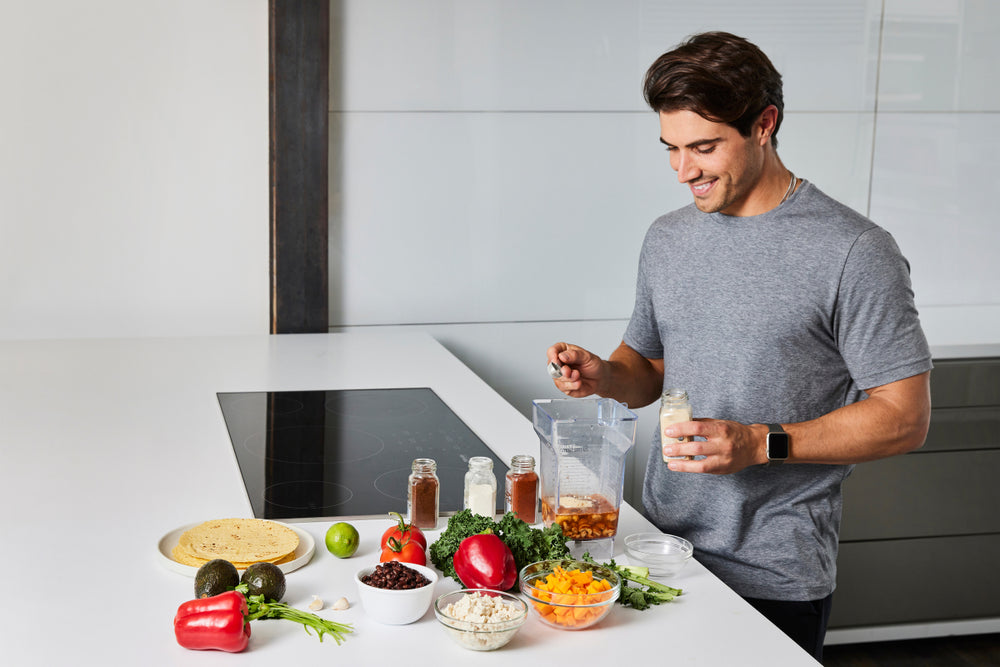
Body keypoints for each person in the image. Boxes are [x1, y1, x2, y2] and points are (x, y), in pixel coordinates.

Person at [546, 32, 932, 660]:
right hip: (657, 549)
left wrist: (758, 442)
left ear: (764, 124)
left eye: (704, 147)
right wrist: (604, 376)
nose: (684, 171)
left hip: (775, 575)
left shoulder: (855, 251)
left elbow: (904, 419)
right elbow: (647, 370)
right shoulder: (669, 237)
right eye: (671, 149)